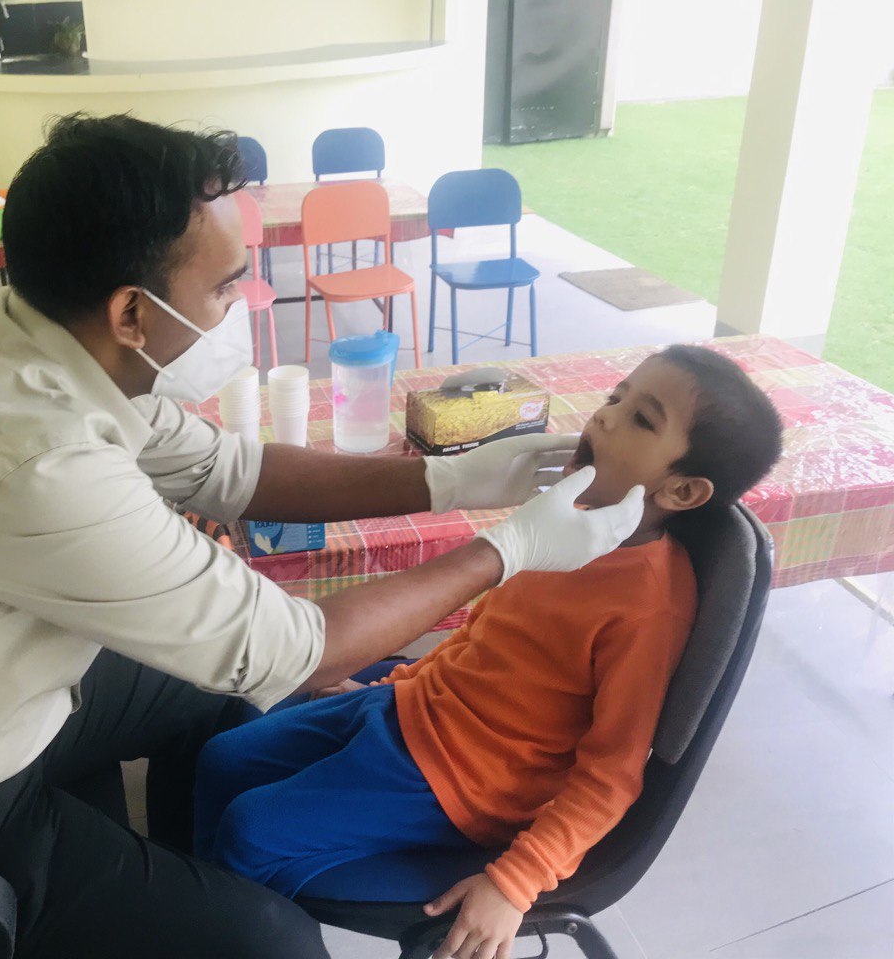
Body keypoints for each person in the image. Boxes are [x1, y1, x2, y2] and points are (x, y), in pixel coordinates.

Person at [0, 114, 644, 959]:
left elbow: (229, 471)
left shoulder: (23, 335)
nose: (243, 305)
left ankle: (184, 879)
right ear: (131, 312)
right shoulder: (36, 461)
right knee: (274, 944)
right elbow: (305, 649)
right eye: (227, 286)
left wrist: (446, 479)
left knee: (209, 704)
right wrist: (508, 548)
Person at [194, 345, 784, 959]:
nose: (605, 416)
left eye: (641, 419)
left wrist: (516, 881)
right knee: (221, 759)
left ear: (682, 490)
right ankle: (204, 907)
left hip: (465, 780)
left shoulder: (649, 608)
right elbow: (482, 638)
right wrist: (396, 684)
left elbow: (612, 775)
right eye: (616, 397)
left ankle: (229, 929)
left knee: (249, 833)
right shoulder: (565, 527)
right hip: (414, 708)